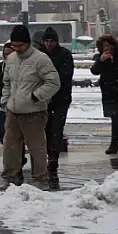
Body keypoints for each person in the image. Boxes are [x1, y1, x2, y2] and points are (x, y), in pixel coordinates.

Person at [0, 25, 60, 189]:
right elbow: (6, 82)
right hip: (12, 111)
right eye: (14, 46)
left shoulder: (41, 59)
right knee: (10, 147)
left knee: (37, 148)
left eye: (20, 46)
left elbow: (54, 83)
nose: (17, 49)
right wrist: (6, 101)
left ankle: (40, 179)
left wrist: (36, 96)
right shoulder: (11, 60)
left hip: (34, 112)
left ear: (28, 43)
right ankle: (9, 178)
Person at [41, 27, 74, 177]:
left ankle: (53, 156)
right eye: (46, 41)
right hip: (45, 99)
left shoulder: (64, 55)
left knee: (57, 128)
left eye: (51, 41)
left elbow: (65, 76)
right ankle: (50, 155)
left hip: (61, 98)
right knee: (47, 128)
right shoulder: (40, 55)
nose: (49, 44)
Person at [92, 34, 118, 154]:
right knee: (116, 117)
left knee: (116, 116)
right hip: (108, 91)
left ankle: (115, 144)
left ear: (113, 45)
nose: (107, 48)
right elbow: (94, 71)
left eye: (108, 45)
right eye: (104, 46)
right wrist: (101, 61)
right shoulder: (101, 57)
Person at [0, 42, 14, 144]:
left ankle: (18, 157)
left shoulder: (20, 66)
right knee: (3, 134)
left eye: (9, 54)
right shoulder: (0, 67)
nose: (7, 56)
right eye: (5, 54)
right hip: (4, 106)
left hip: (17, 105)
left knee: (16, 135)